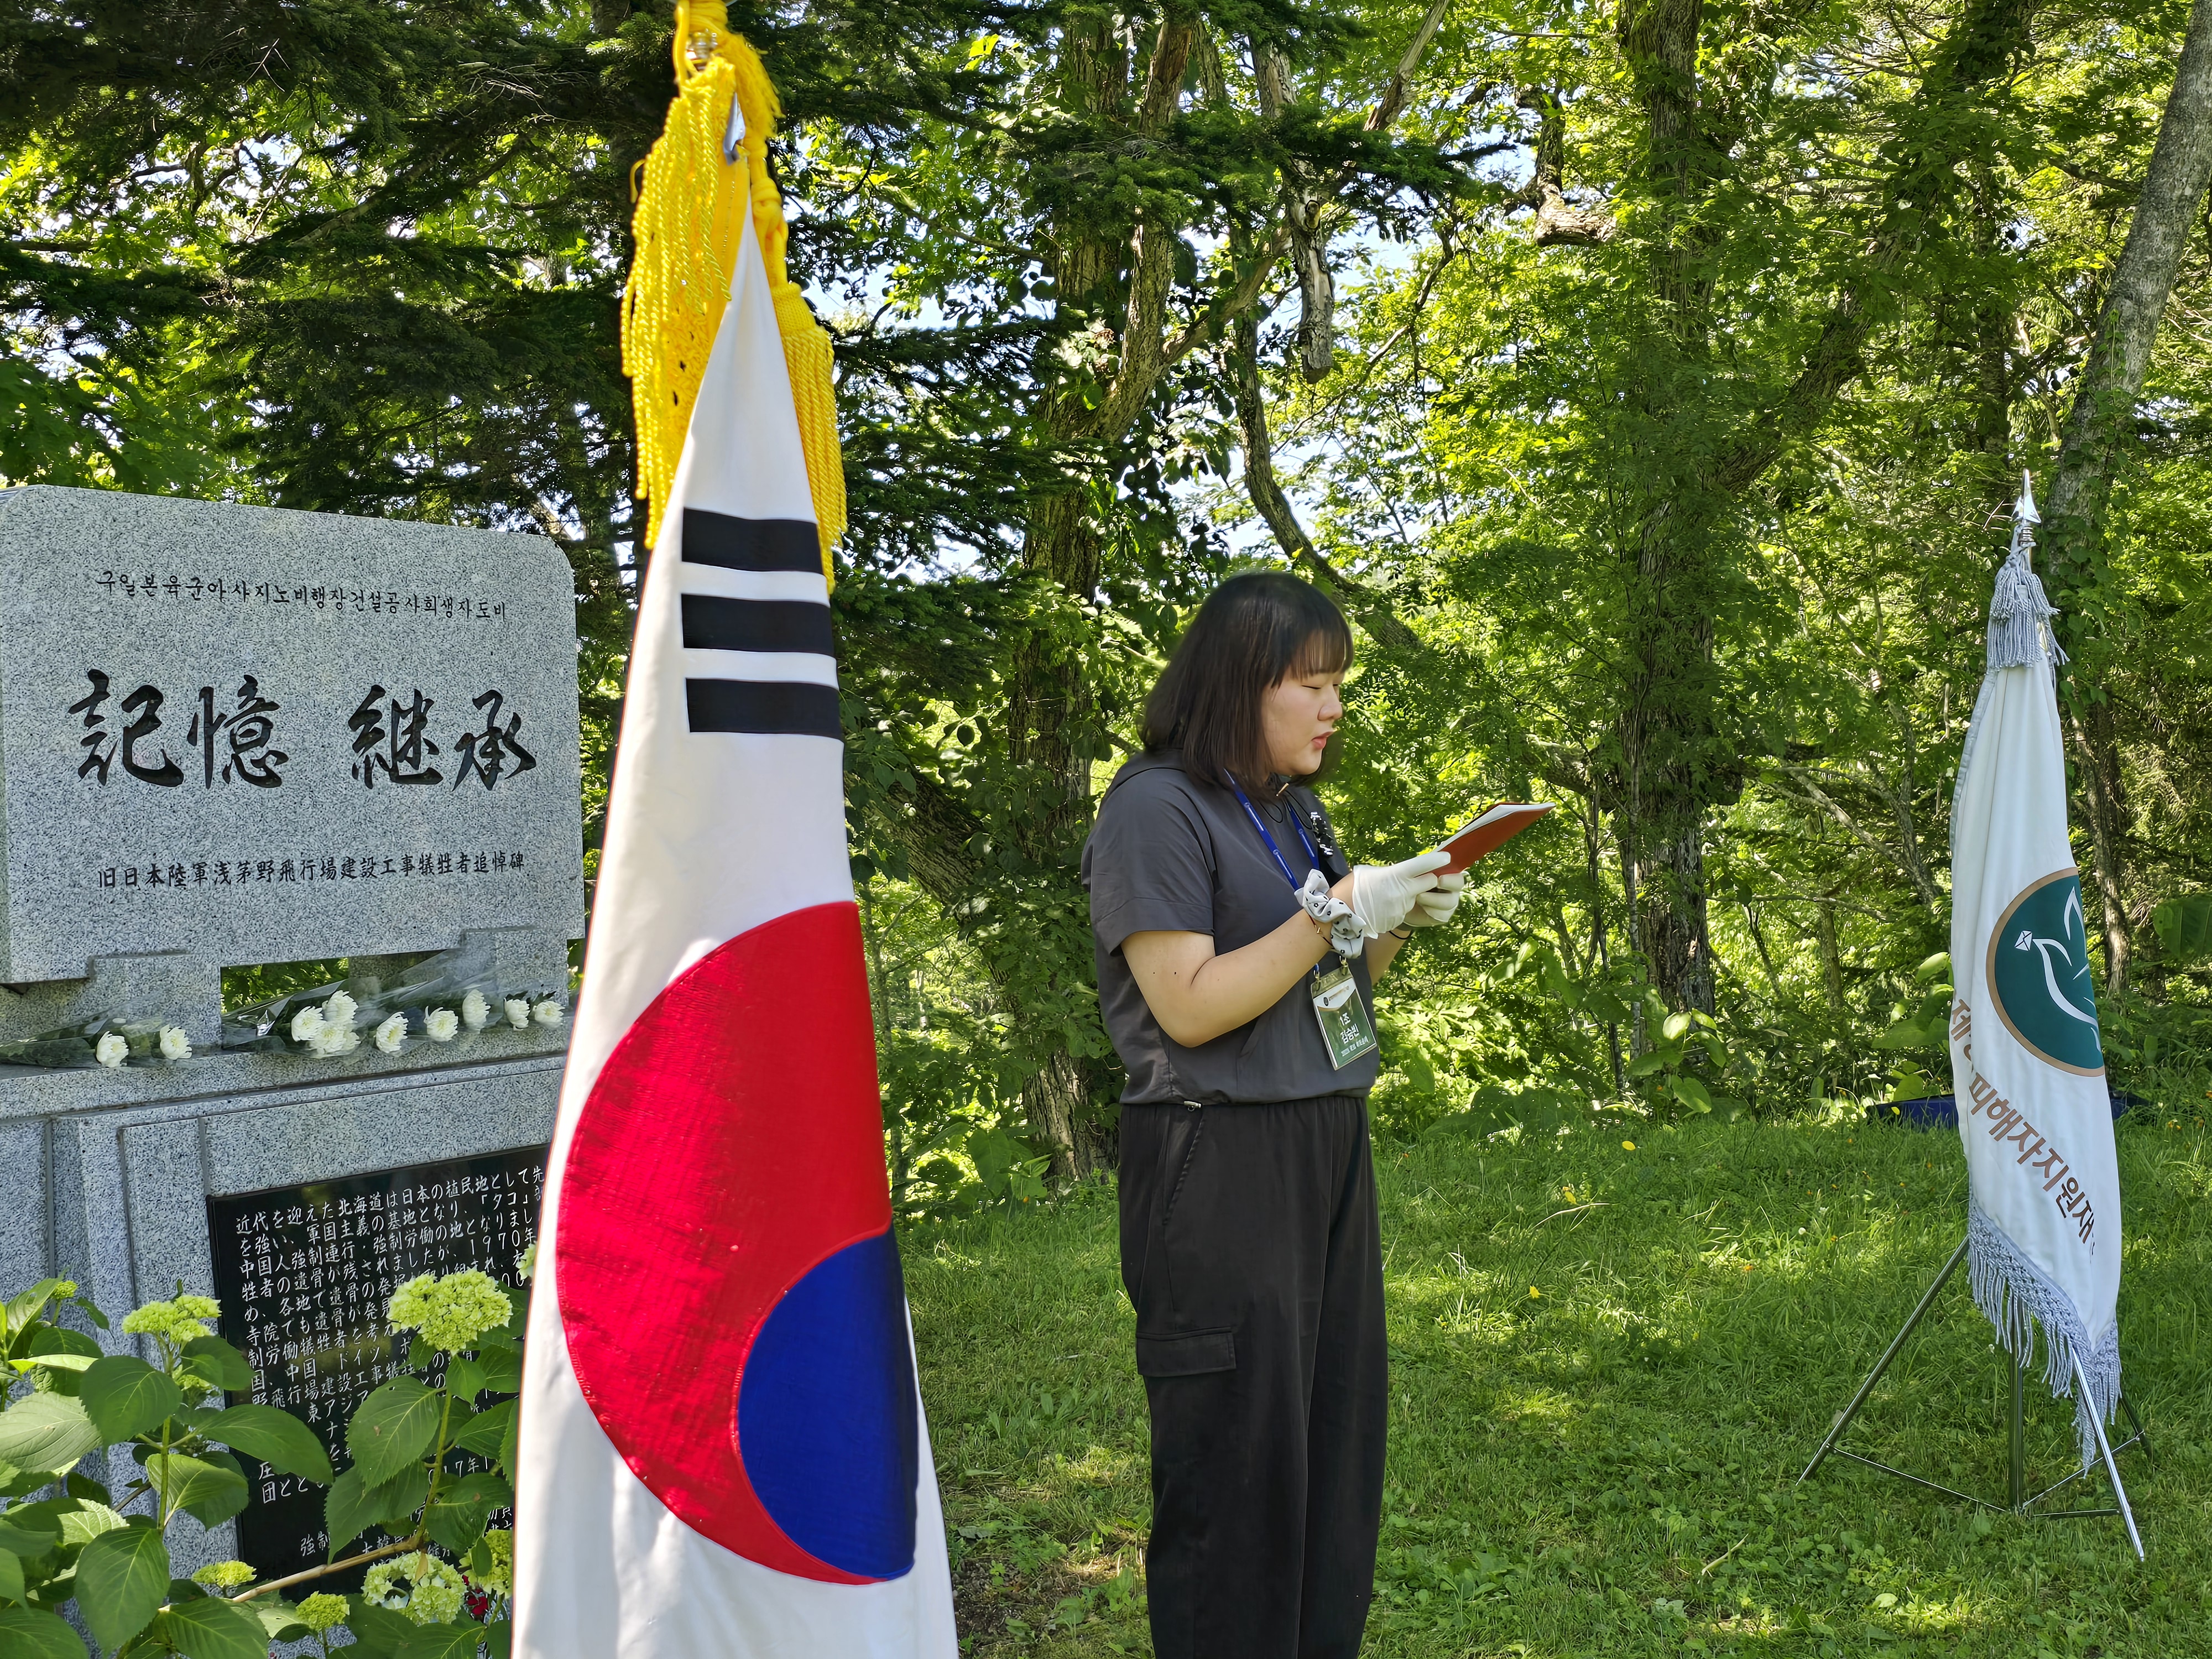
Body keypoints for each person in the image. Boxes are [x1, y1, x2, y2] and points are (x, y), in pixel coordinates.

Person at [1080, 572, 1466, 1659]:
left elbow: (1332, 976)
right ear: (1240, 684)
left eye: (1339, 683)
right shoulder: (1153, 807)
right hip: (1218, 1156)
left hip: (1324, 1140)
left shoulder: (1290, 806)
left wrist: (1396, 915)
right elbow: (1191, 1006)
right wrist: (1334, 909)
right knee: (1237, 1465)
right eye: (1312, 684)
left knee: (1331, 1446)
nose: (1334, 706)